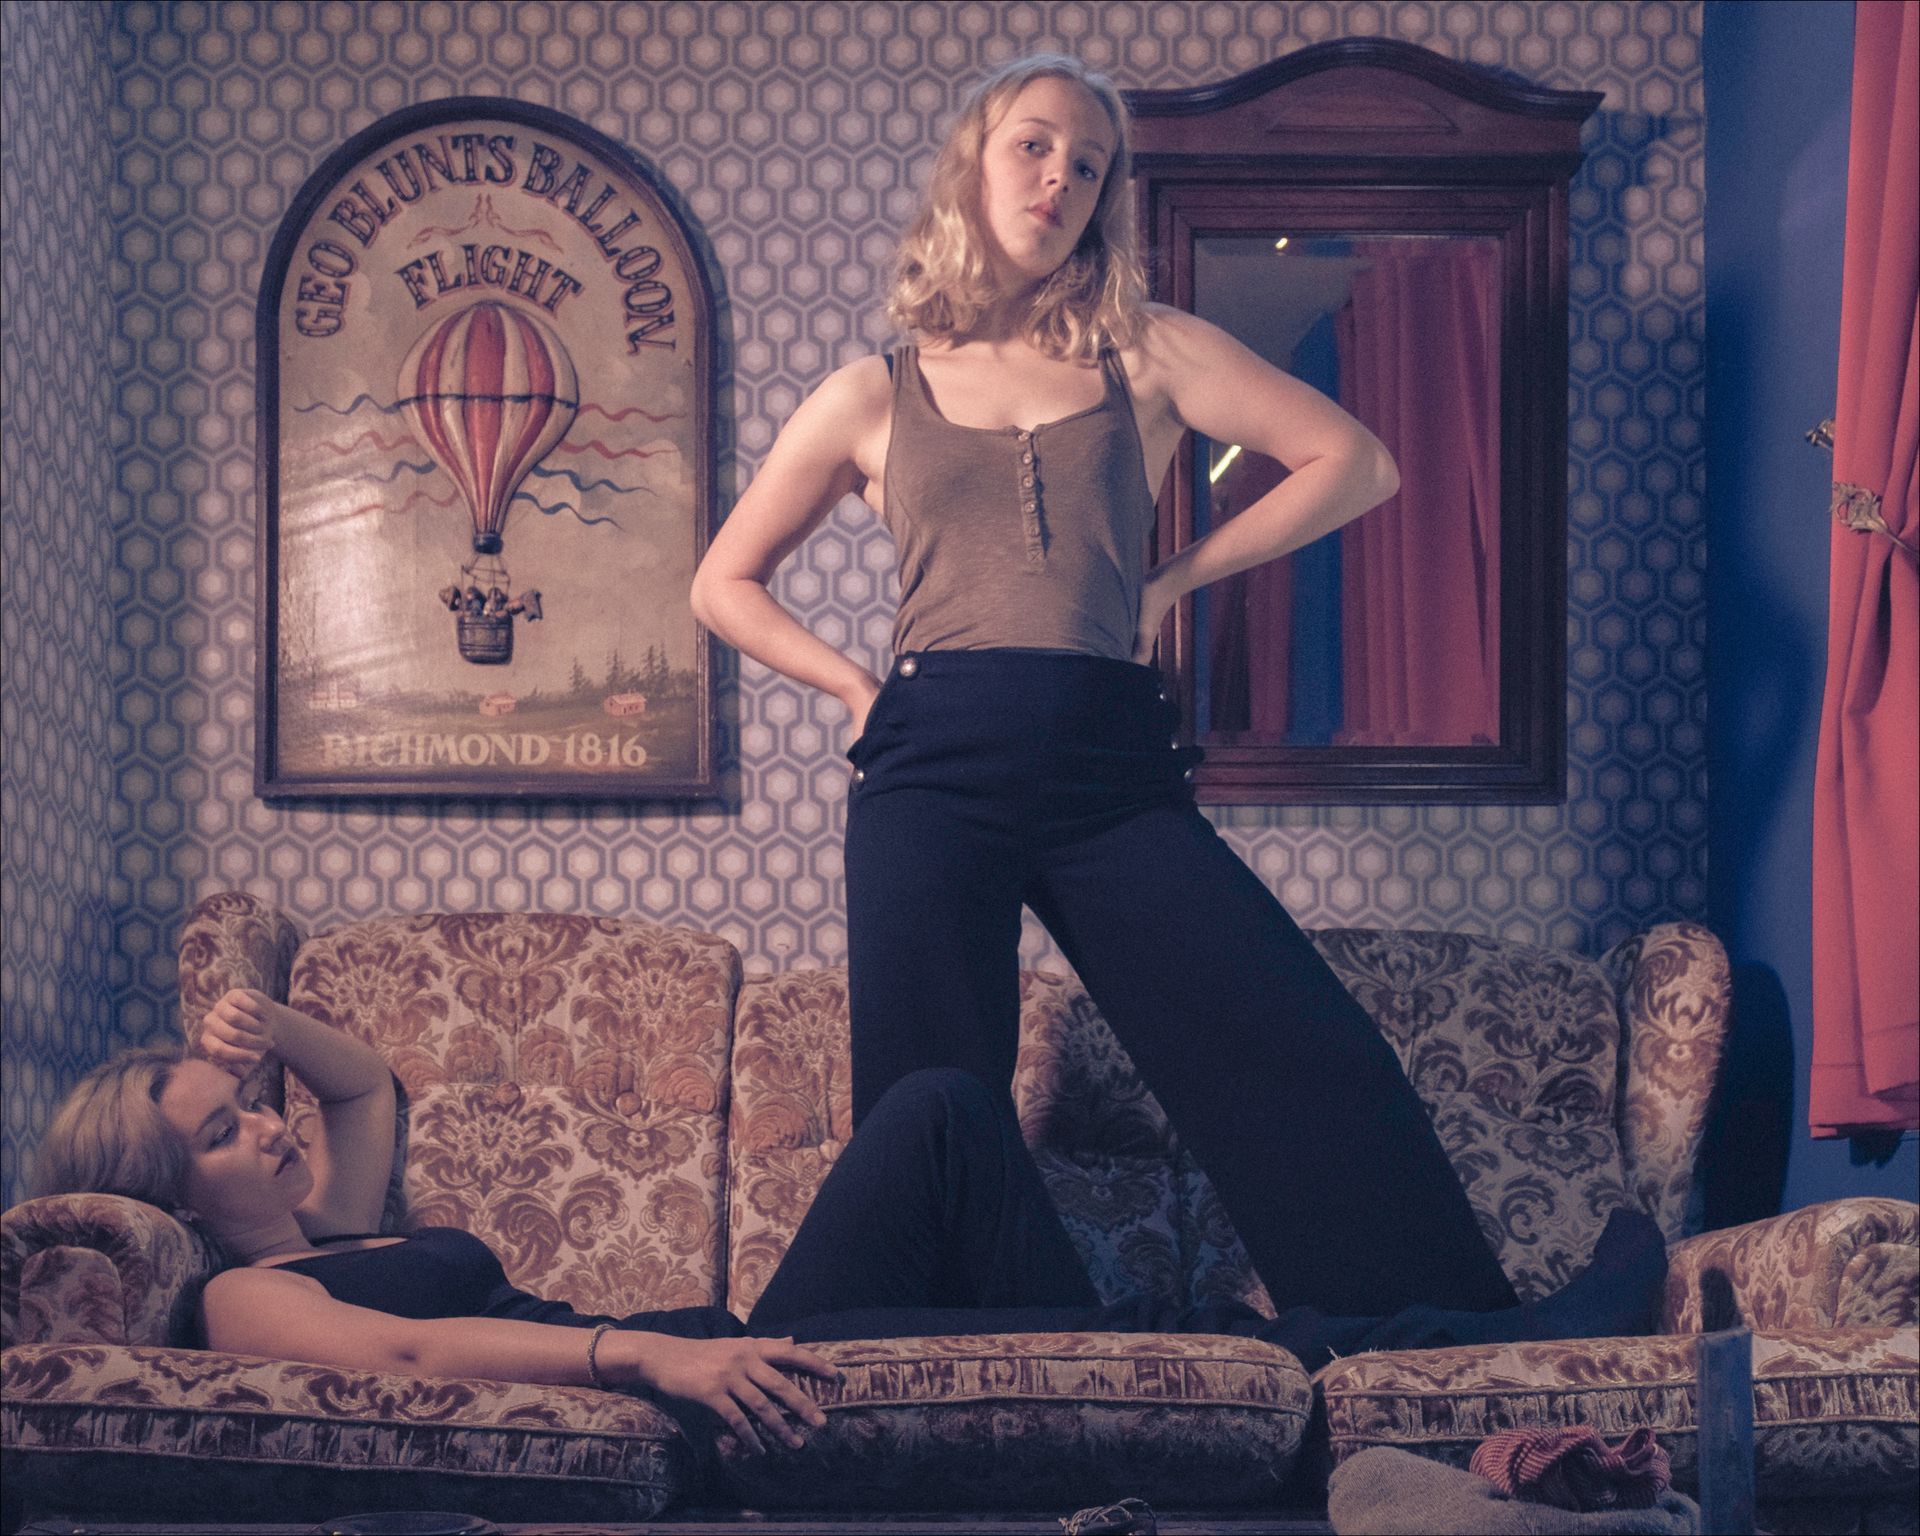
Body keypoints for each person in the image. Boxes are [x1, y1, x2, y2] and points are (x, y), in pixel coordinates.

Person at [690, 49, 1597, 1328]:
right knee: (931, 1098)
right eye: (1034, 146)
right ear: (973, 164)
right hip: (929, 760)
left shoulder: (1147, 352)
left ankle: (1450, 1339)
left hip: (1107, 763)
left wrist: (1171, 583)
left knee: (1292, 1043)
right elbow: (721, 583)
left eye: (1089, 164)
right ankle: (966, 1371)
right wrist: (852, 689)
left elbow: (1356, 460)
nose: (1059, 178)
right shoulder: (870, 393)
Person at [34, 988, 1667, 1458]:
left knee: (943, 1109)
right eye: (224, 1130)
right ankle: (1520, 1344)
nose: (271, 1124)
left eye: (252, 1104)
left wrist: (258, 1032)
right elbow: (395, 1359)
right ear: (170, 1199)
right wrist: (641, 1361)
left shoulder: (330, 1220)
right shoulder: (239, 1306)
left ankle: (1172, 1361)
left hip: (726, 1344)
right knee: (1184, 1336)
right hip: (724, 1380)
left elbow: (361, 1084)